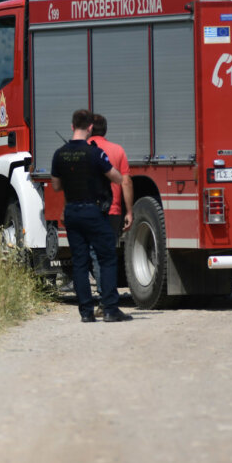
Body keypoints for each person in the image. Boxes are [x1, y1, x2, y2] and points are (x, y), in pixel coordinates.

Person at [51, 109, 131, 323]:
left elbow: (56, 186)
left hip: (72, 213)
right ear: (89, 129)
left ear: (71, 126)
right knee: (106, 257)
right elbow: (116, 178)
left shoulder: (59, 154)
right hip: (93, 212)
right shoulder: (95, 153)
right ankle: (110, 309)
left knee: (79, 261)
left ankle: (86, 312)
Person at [88, 113, 134, 316]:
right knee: (107, 255)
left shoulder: (81, 149)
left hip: (89, 210)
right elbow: (126, 181)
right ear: (105, 130)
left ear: (89, 129)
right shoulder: (118, 150)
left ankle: (104, 301)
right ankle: (108, 301)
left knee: (95, 254)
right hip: (113, 210)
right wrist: (129, 211)